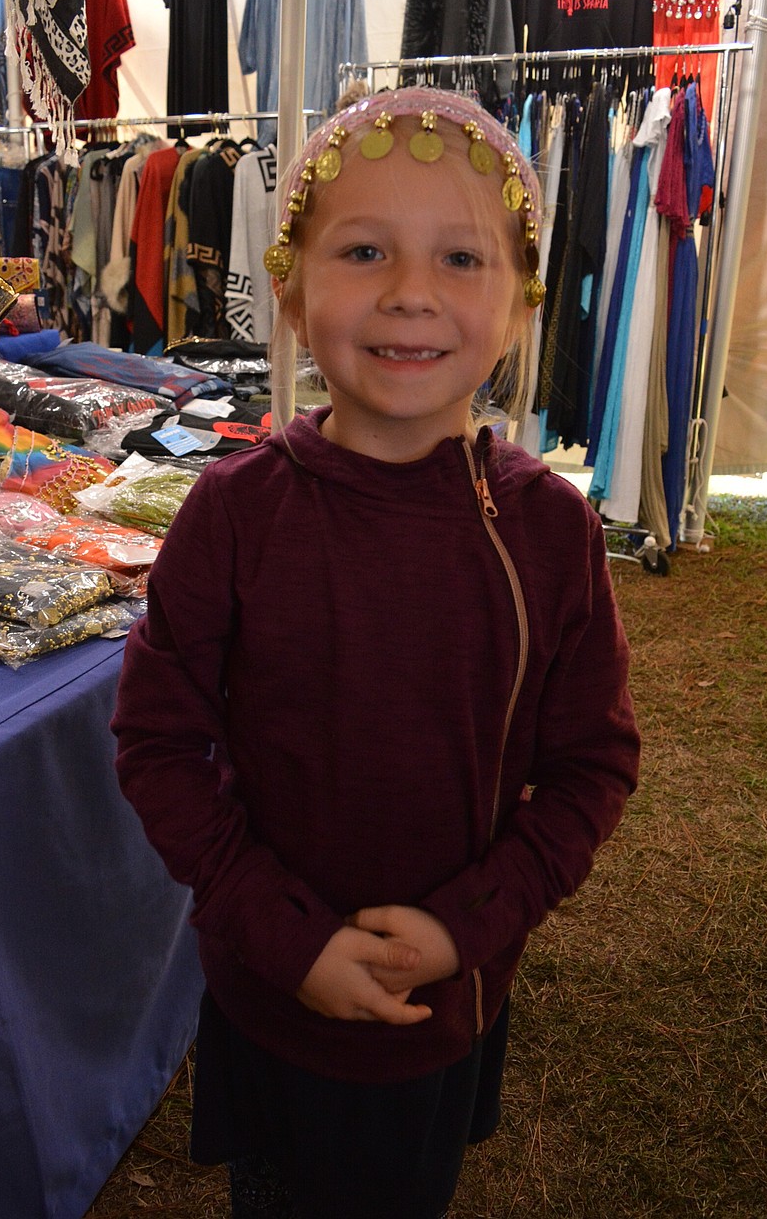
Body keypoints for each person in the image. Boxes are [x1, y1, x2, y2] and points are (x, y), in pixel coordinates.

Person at [111, 85, 640, 1219]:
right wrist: (278, 932)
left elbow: (591, 769)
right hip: (269, 988)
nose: (410, 293)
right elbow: (159, 745)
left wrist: (470, 925)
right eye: (364, 250)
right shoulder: (235, 514)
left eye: (460, 258)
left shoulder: (548, 532)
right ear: (293, 292)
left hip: (446, 996)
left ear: (520, 303)